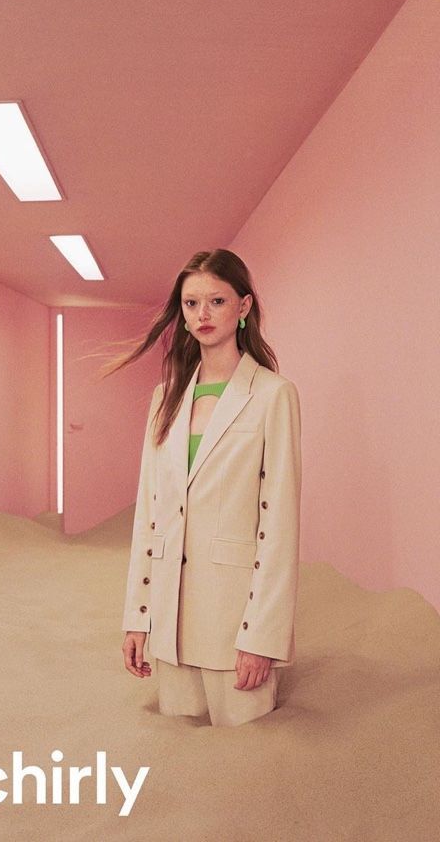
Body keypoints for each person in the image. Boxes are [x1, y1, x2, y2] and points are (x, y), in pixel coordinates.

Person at [115, 249, 301, 727]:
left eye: (216, 301)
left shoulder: (273, 395)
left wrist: (261, 637)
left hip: (233, 621)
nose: (202, 315)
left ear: (243, 307)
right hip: (169, 620)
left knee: (246, 768)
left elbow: (278, 525)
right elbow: (149, 516)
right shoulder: (165, 397)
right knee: (184, 766)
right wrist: (138, 616)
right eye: (191, 304)